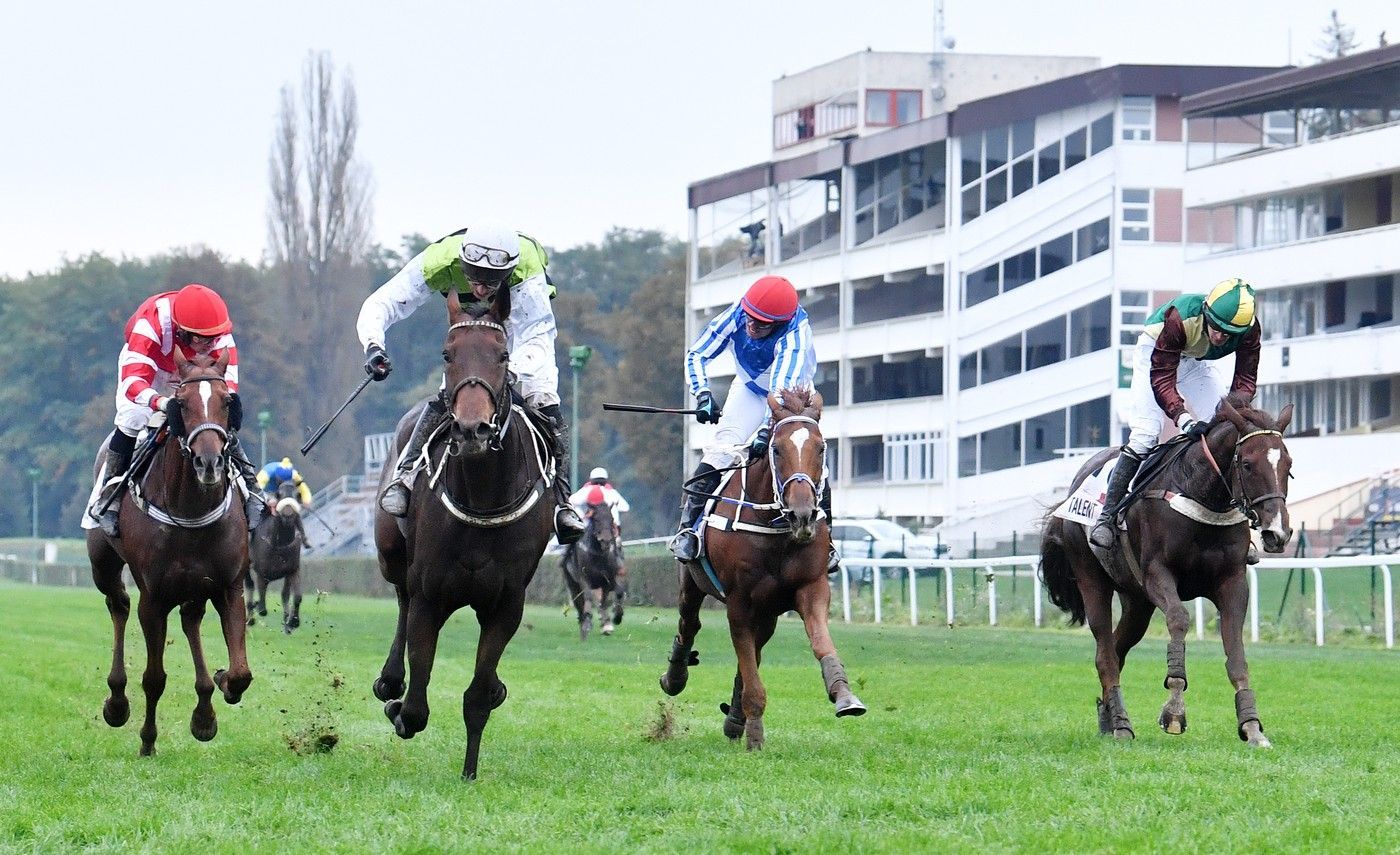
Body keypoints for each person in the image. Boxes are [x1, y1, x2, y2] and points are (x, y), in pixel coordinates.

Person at [355, 223, 585, 543]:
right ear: (462, 262)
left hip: (519, 327)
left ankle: (563, 502)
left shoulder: (527, 266)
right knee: (452, 392)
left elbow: (536, 340)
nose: (480, 288)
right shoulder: (439, 259)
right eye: (474, 276)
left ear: (507, 270)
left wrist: (504, 369)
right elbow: (382, 304)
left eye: (491, 280)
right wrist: (373, 346)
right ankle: (405, 477)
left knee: (543, 395)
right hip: (467, 331)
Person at [668, 275, 836, 567]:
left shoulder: (795, 337)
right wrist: (703, 393)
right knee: (721, 450)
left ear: (780, 324)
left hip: (793, 394)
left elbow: (780, 396)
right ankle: (688, 529)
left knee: (810, 458)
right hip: (748, 388)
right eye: (750, 318)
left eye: (761, 324)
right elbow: (697, 354)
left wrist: (763, 433)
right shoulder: (741, 312)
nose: (751, 325)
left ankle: (828, 541)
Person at [1090, 277, 1262, 553]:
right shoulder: (1179, 319)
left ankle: (1237, 523)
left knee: (1229, 430)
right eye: (1215, 328)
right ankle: (1108, 517)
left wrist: (1234, 414)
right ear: (1206, 312)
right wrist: (1184, 419)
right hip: (1156, 355)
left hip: (1194, 362)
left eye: (1227, 334)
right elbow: (1162, 377)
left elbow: (1245, 380)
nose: (1219, 337)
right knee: (1147, 433)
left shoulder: (1250, 330)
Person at [89, 283, 268, 537]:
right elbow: (133, 382)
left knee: (214, 418)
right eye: (199, 339)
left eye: (212, 340)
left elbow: (225, 387)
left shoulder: (218, 334)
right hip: (152, 369)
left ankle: (253, 490)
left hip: (196, 375)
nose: (207, 345)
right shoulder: (150, 325)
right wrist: (162, 403)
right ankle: (110, 493)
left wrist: (228, 402)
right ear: (182, 330)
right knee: (134, 416)